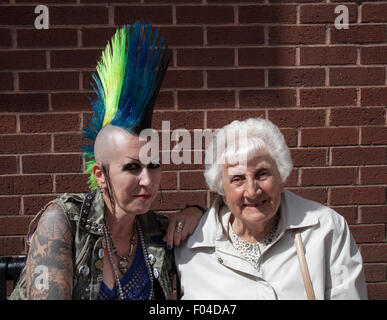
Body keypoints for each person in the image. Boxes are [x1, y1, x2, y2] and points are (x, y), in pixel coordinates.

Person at [9, 21, 203, 300]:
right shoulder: (63, 223)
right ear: (100, 174)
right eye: (132, 167)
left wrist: (194, 211)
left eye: (154, 165)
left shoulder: (154, 231)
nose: (147, 180)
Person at [175, 118, 368, 300]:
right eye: (237, 179)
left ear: (281, 176)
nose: (251, 191)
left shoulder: (326, 230)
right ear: (221, 190)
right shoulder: (189, 245)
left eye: (262, 174)